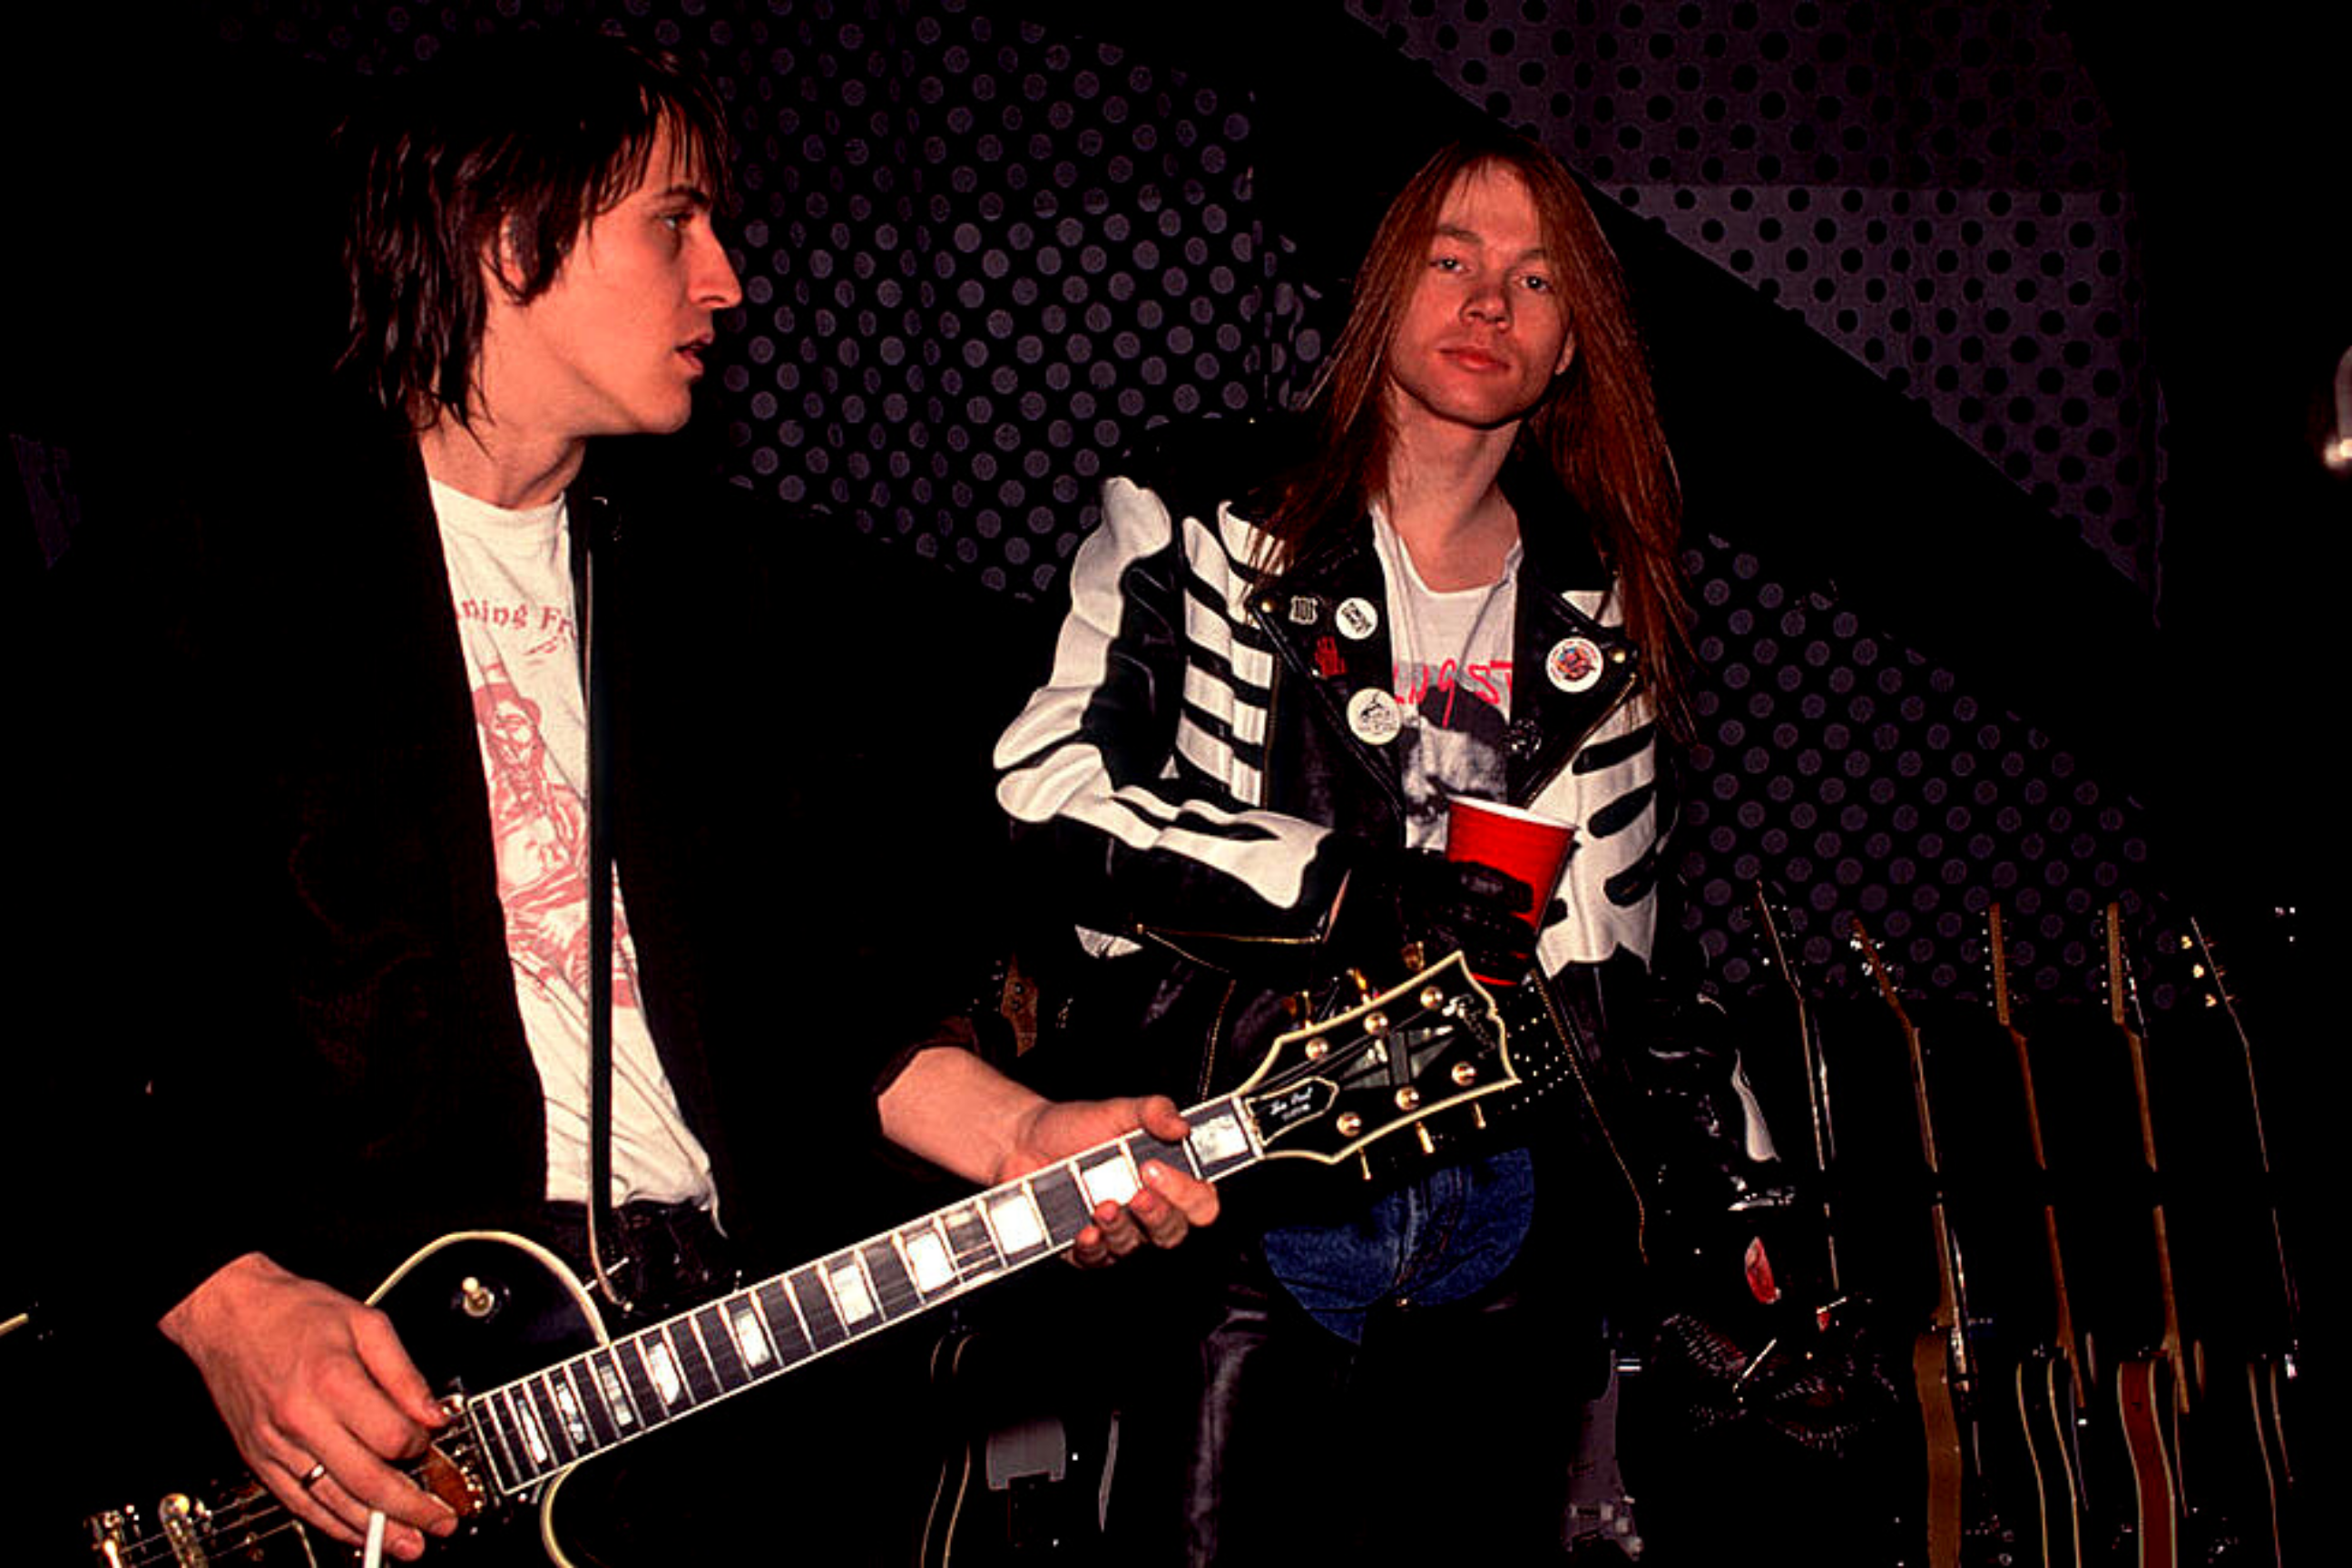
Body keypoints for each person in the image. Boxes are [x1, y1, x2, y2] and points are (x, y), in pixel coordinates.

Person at [81, 32, 1214, 1566]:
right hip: (395, 1429)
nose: (730, 279)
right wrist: (220, 1300)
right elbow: (28, 999)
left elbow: (825, 1012)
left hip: (723, 1389)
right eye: (675, 221)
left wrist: (1029, 1137)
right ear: (509, 235)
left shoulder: (719, 595)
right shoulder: (213, 574)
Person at [995, 133, 1746, 1563]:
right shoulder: (1211, 515)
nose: (1488, 304)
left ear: (1575, 338)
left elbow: (1615, 963)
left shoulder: (1600, 598)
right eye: (1452, 261)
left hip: (1504, 1203)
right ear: (1381, 290)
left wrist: (1715, 1218)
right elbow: (1043, 793)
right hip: (1242, 1168)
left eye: (1535, 280)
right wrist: (1354, 889)